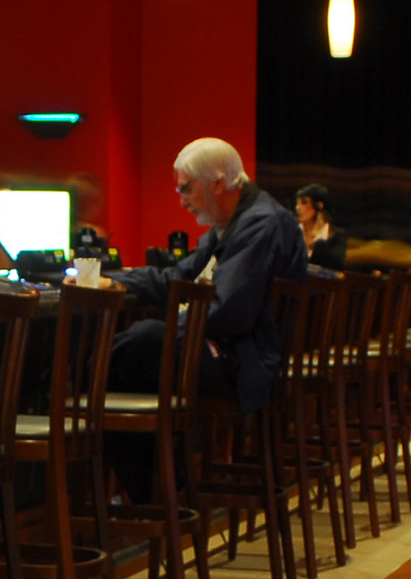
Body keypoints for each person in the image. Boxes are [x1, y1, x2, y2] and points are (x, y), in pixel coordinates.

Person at [95, 138, 308, 499]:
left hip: (245, 362)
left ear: (218, 183)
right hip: (232, 351)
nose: (181, 199)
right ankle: (160, 488)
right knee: (130, 360)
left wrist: (169, 329)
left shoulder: (260, 223)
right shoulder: (235, 223)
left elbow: (228, 314)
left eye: (186, 188)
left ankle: (156, 491)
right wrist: (110, 278)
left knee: (133, 347)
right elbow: (177, 278)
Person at [294, 183, 348, 271]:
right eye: (297, 203)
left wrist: (319, 243)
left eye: (304, 202)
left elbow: (337, 267)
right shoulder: (292, 232)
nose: (298, 207)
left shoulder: (337, 235)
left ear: (319, 205)